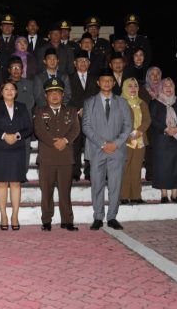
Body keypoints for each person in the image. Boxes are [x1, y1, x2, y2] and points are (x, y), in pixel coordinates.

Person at [82, 69, 132, 231]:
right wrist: (103, 144)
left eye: (109, 80)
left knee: (115, 185)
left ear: (113, 82)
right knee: (97, 184)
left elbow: (128, 126)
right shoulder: (90, 102)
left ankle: (112, 217)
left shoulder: (122, 102)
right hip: (97, 149)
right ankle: (98, 216)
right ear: (98, 83)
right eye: (103, 80)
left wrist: (115, 143)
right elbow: (86, 127)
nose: (106, 83)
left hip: (116, 150)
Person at [33, 78, 80, 231]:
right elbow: (39, 131)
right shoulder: (39, 112)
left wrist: (65, 140)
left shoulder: (71, 111)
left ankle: (67, 220)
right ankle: (46, 220)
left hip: (65, 157)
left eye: (58, 92)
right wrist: (54, 142)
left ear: (63, 95)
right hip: (47, 157)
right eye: (51, 93)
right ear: (46, 95)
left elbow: (76, 129)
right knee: (46, 191)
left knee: (65, 191)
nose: (54, 95)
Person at [0, 80, 33, 230]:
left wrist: (17, 136)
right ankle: (3, 215)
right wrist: (3, 135)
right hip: (0, 148)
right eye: (6, 89)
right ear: (1, 92)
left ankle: (14, 215)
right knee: (1, 183)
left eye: (12, 89)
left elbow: (28, 128)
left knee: (15, 183)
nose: (9, 91)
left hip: (17, 149)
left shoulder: (22, 107)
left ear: (16, 92)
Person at [149, 78, 177, 203]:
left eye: (171, 85)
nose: (168, 88)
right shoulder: (155, 103)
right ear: (161, 88)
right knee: (163, 168)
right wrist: (166, 129)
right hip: (162, 140)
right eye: (165, 85)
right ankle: (164, 194)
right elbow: (153, 120)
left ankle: (174, 194)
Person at [118, 78, 151, 205]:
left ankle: (136, 196)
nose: (133, 89)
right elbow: (119, 121)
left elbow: (147, 120)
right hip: (125, 141)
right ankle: (124, 196)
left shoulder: (143, 103)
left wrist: (139, 131)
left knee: (136, 169)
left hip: (140, 140)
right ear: (125, 88)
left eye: (135, 86)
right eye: (130, 86)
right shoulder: (120, 103)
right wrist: (130, 132)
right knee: (125, 169)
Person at [68, 50, 99, 181]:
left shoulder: (95, 79)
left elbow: (98, 97)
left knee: (91, 145)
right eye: (80, 61)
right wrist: (77, 110)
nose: (83, 63)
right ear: (75, 63)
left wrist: (88, 110)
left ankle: (89, 171)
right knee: (75, 145)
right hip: (74, 116)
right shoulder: (68, 78)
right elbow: (66, 97)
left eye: (85, 61)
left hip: (91, 117)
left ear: (89, 63)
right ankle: (75, 172)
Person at [139, 66, 163, 182]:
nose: (155, 76)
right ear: (148, 76)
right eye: (152, 74)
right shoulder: (142, 90)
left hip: (163, 125)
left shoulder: (166, 89)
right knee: (150, 149)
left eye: (157, 74)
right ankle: (150, 172)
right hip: (148, 125)